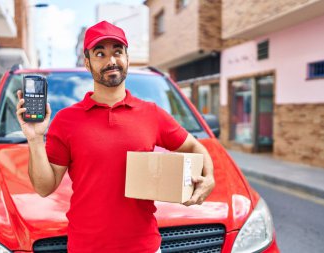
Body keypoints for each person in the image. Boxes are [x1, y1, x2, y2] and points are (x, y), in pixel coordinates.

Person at [16, 20, 215, 253]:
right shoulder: (66, 120)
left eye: (117, 52)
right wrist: (35, 138)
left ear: (127, 59)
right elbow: (44, 187)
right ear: (88, 64)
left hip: (144, 248)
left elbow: (194, 147)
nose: (111, 60)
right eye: (100, 53)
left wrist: (209, 177)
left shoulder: (151, 114)